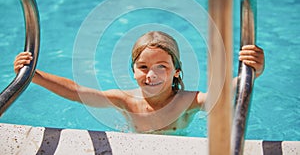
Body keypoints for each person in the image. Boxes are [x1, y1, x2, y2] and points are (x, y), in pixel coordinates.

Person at [14, 31, 265, 134]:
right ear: (132, 71)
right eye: (143, 67)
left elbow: (223, 94)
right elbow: (79, 92)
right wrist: (33, 75)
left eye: (162, 67)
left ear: (177, 72)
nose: (151, 75)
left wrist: (254, 71)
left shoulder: (188, 101)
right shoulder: (126, 100)